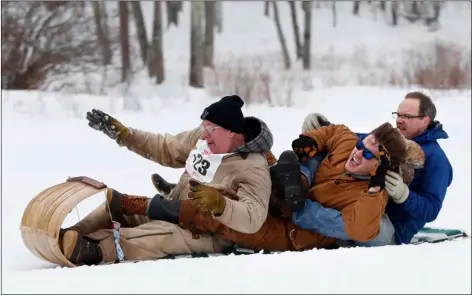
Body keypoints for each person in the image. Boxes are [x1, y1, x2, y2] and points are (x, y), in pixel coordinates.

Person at [60, 95, 285, 266]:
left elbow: (253, 217)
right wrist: (125, 135)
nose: (204, 135)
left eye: (210, 130)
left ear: (231, 132)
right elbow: (166, 148)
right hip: (174, 206)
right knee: (116, 205)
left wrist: (221, 205)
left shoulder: (253, 167)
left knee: (154, 237)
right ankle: (73, 233)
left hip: (208, 231)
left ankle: (94, 249)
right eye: (203, 129)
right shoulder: (203, 141)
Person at [151, 121, 409, 253]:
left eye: (367, 155)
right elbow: (335, 132)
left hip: (295, 229)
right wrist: (310, 141)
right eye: (362, 145)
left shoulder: (370, 198)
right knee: (251, 154)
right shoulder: (348, 144)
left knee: (232, 218)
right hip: (291, 191)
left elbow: (359, 228)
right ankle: (190, 187)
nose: (358, 153)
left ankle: (168, 208)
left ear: (380, 168)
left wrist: (298, 208)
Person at [296, 91, 452, 246]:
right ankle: (295, 181)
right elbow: (360, 140)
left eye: (407, 117)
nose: (399, 120)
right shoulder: (395, 139)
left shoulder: (437, 160)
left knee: (366, 227)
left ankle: (300, 211)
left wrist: (404, 196)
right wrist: (321, 129)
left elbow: (431, 210)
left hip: (388, 226)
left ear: (425, 120)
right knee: (325, 151)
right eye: (398, 115)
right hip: (360, 201)